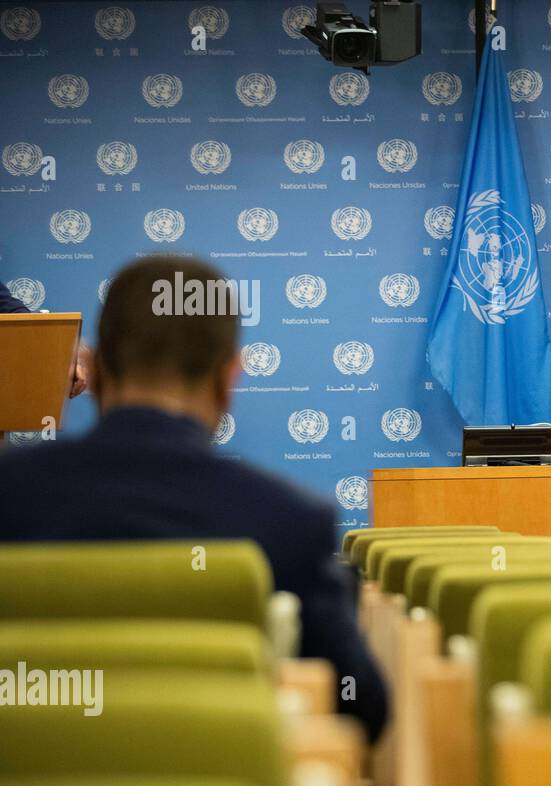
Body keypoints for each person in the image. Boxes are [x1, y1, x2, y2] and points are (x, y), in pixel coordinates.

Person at [0, 257, 388, 741]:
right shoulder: (289, 523)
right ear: (229, 379)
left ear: (95, 371)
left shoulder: (10, 496)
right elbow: (359, 705)